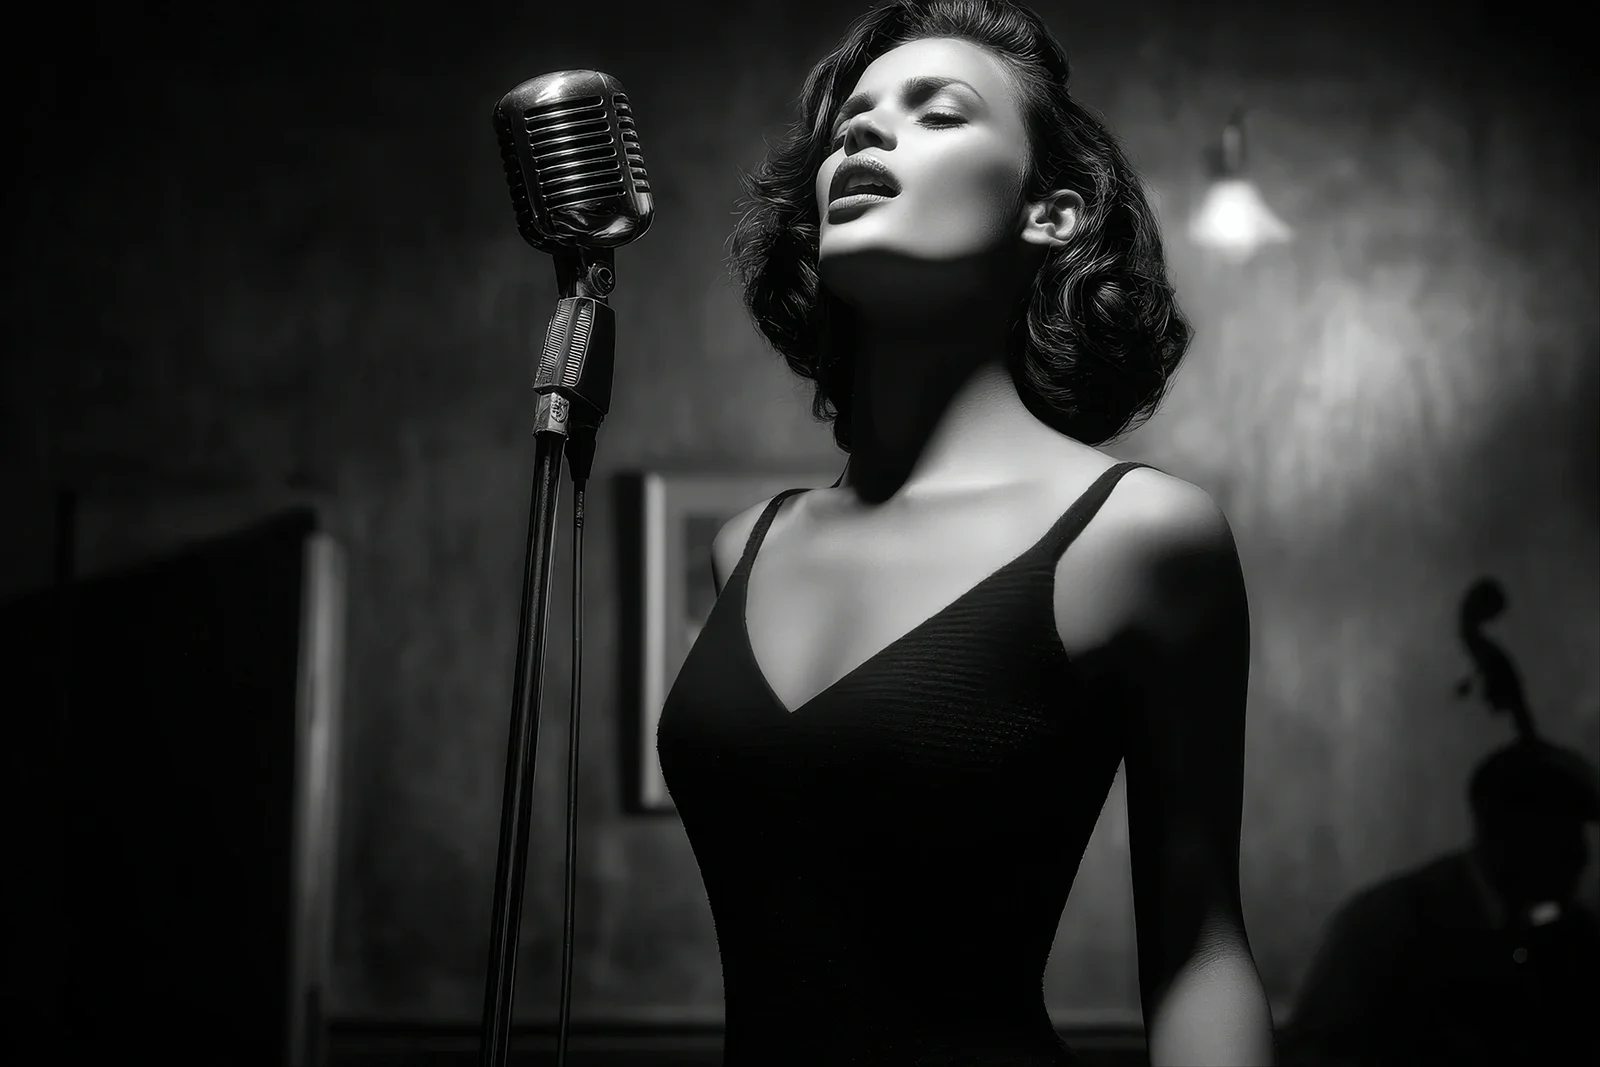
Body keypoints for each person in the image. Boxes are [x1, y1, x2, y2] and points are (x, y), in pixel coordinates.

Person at [656, 2, 1276, 1063]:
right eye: (848, 119)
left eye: (935, 112)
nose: (859, 133)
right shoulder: (745, 546)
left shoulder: (1137, 537)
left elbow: (1198, 947)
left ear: (1053, 213)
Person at [1283, 738, 1600, 1067]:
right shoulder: (1387, 925)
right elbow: (1314, 1051)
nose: (1581, 857)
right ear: (1502, 830)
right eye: (1559, 834)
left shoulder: (1569, 933)